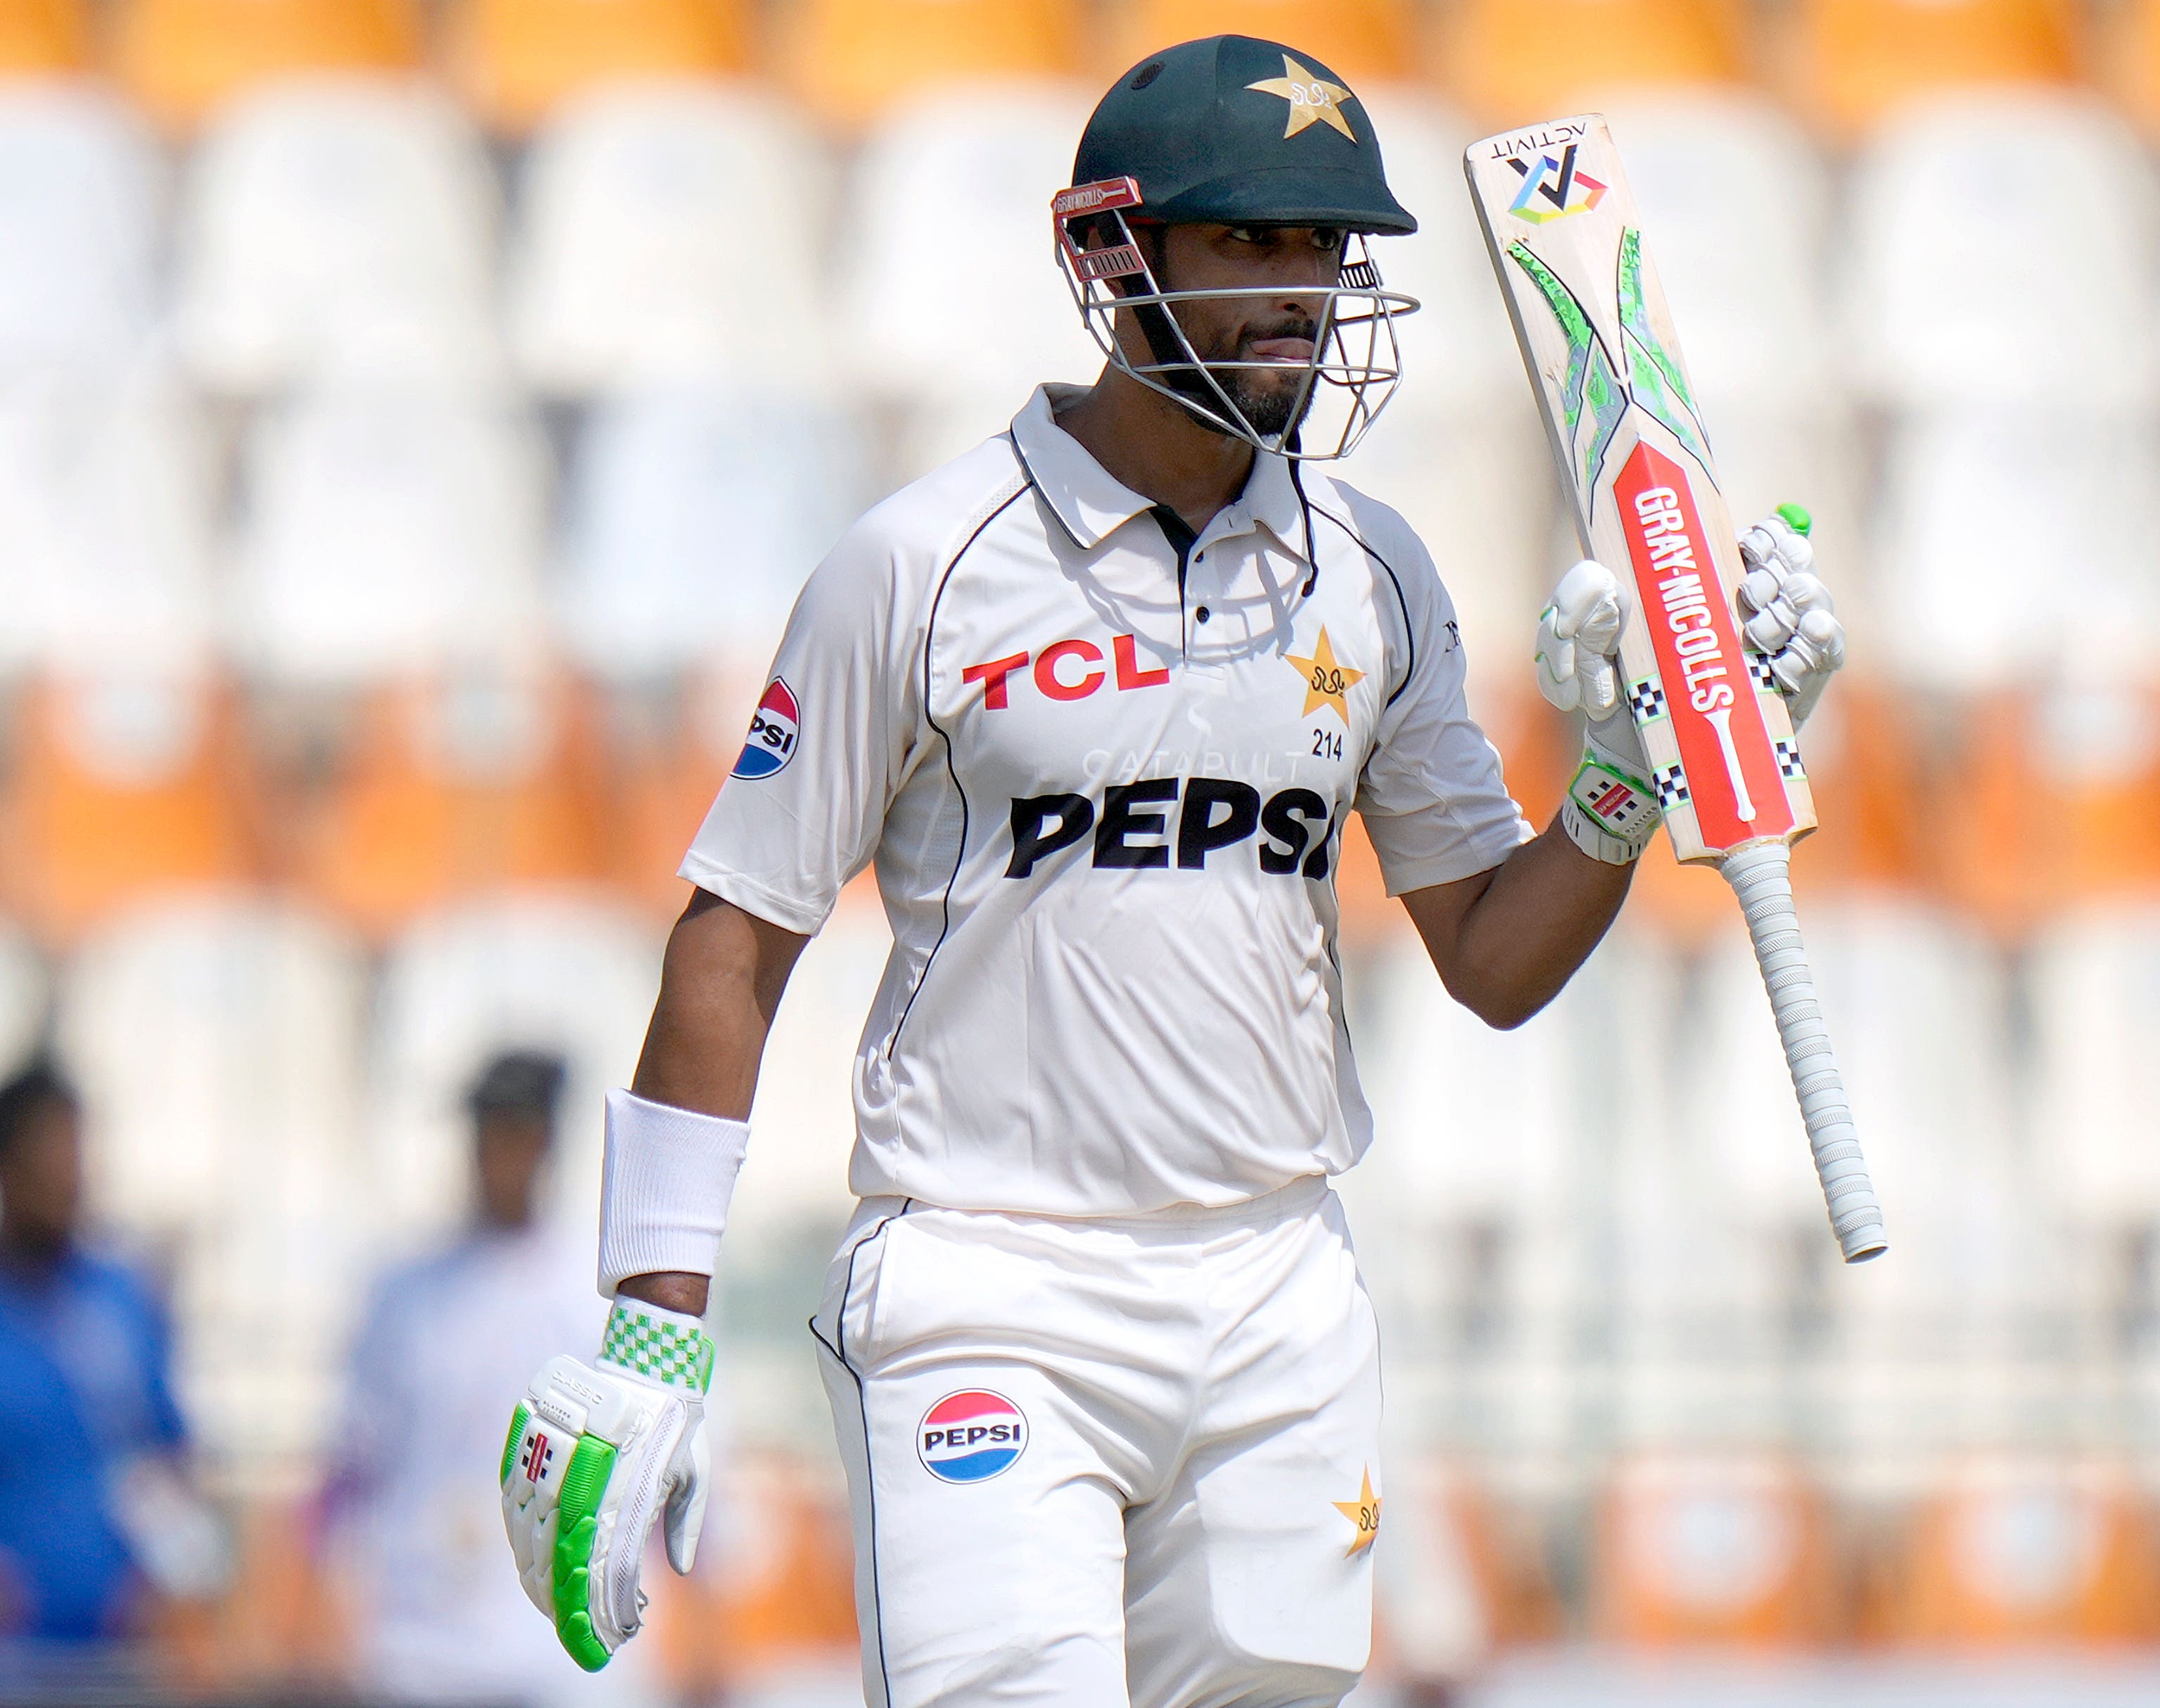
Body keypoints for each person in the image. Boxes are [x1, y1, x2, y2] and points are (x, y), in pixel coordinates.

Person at [500, 33, 1846, 1707]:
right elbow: (732, 941)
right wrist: (654, 1317)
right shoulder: (923, 565)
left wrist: (1633, 770)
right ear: (1112, 256)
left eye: (1326, 248)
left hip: (1279, 1287)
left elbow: (1493, 962)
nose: (1307, 292)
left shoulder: (1377, 574)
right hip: (989, 1285)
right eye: (1255, 244)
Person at [330, 1052, 611, 1704]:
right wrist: (317, 1585)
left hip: (555, 1646)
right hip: (417, 1638)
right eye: (488, 1134)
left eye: (516, 1132)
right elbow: (352, 1458)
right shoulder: (403, 1291)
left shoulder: (594, 1293)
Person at [0, 1057, 214, 1657]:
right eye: (49, 1153)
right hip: (18, 1657)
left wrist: (189, 1580)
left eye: (76, 1150)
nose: (70, 1174)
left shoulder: (119, 1298)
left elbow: (162, 1456)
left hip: (121, 1652)